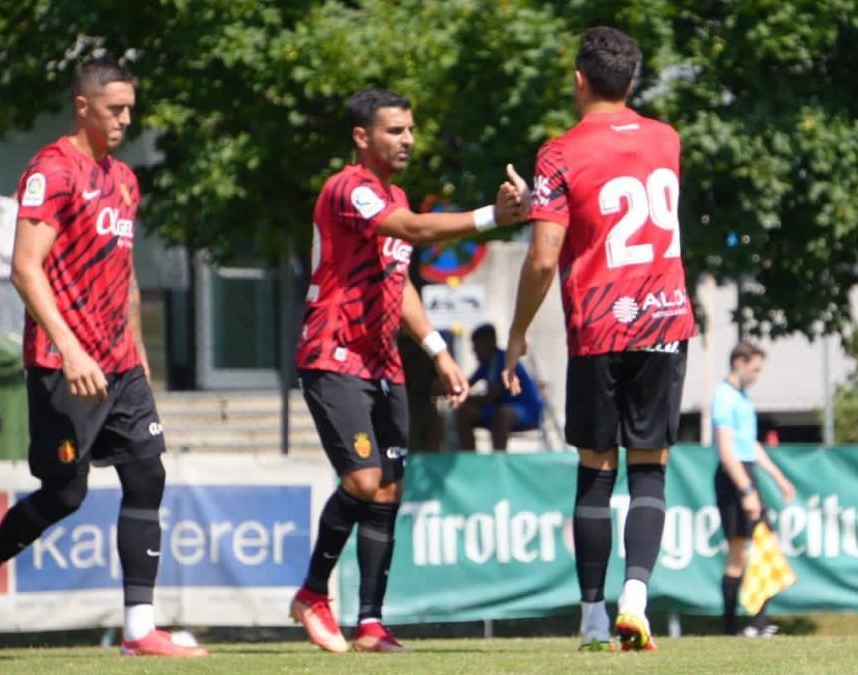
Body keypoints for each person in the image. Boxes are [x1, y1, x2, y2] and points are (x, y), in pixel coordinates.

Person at [0, 58, 207, 661]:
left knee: (148, 475)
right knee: (64, 495)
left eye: (131, 109)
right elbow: (24, 268)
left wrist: (137, 359)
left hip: (120, 365)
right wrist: (71, 348)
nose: (126, 120)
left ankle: (140, 629)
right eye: (115, 110)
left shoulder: (125, 181)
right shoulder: (51, 171)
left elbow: (125, 275)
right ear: (83, 107)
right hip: (64, 364)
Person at [290, 88, 529, 653]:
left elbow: (400, 287)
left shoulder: (391, 195)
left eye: (411, 129)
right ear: (361, 137)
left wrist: (438, 352)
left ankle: (370, 622)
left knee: (388, 490)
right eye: (395, 130)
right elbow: (418, 232)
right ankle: (312, 593)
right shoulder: (349, 190)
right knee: (362, 480)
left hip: (383, 362)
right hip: (333, 353)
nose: (408, 140)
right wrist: (494, 215)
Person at [502, 27, 698, 652]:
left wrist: (517, 333)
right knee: (650, 469)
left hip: (600, 325)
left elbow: (542, 259)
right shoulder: (667, 140)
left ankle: (592, 617)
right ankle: (635, 599)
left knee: (594, 469)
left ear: (578, 80)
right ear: (633, 82)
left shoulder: (558, 154)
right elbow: (620, 193)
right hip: (665, 319)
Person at [712, 341, 796, 637]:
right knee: (738, 552)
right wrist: (746, 490)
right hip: (734, 477)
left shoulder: (743, 398)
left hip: (747, 474)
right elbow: (727, 450)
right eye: (755, 368)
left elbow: (750, 446)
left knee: (764, 545)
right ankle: (730, 628)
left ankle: (759, 623)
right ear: (739, 362)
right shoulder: (723, 396)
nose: (758, 374)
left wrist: (778, 477)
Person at [456, 323, 543, 451]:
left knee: (502, 414)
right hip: (496, 409)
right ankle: (470, 459)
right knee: (463, 413)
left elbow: (492, 395)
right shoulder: (486, 364)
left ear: (490, 342)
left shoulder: (503, 360)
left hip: (525, 411)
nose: (473, 350)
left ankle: (498, 459)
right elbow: (467, 385)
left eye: (476, 346)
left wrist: (467, 399)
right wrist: (453, 389)